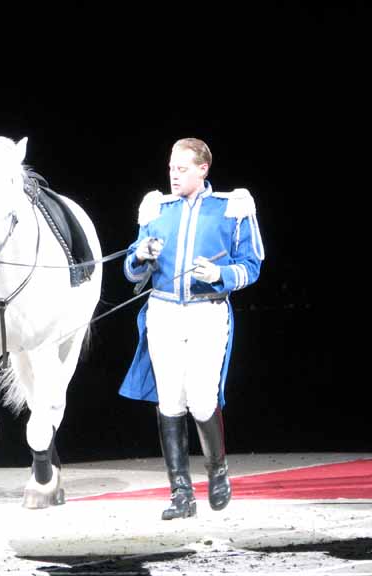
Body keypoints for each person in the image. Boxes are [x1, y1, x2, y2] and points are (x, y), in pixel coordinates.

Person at [120, 138, 265, 520]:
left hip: (207, 312)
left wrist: (220, 274)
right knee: (169, 401)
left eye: (182, 168)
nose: (173, 174)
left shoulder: (230, 208)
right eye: (171, 167)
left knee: (201, 398)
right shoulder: (157, 209)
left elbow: (251, 265)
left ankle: (218, 470)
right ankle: (180, 493)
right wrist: (140, 256)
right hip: (163, 313)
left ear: (203, 169)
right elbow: (131, 272)